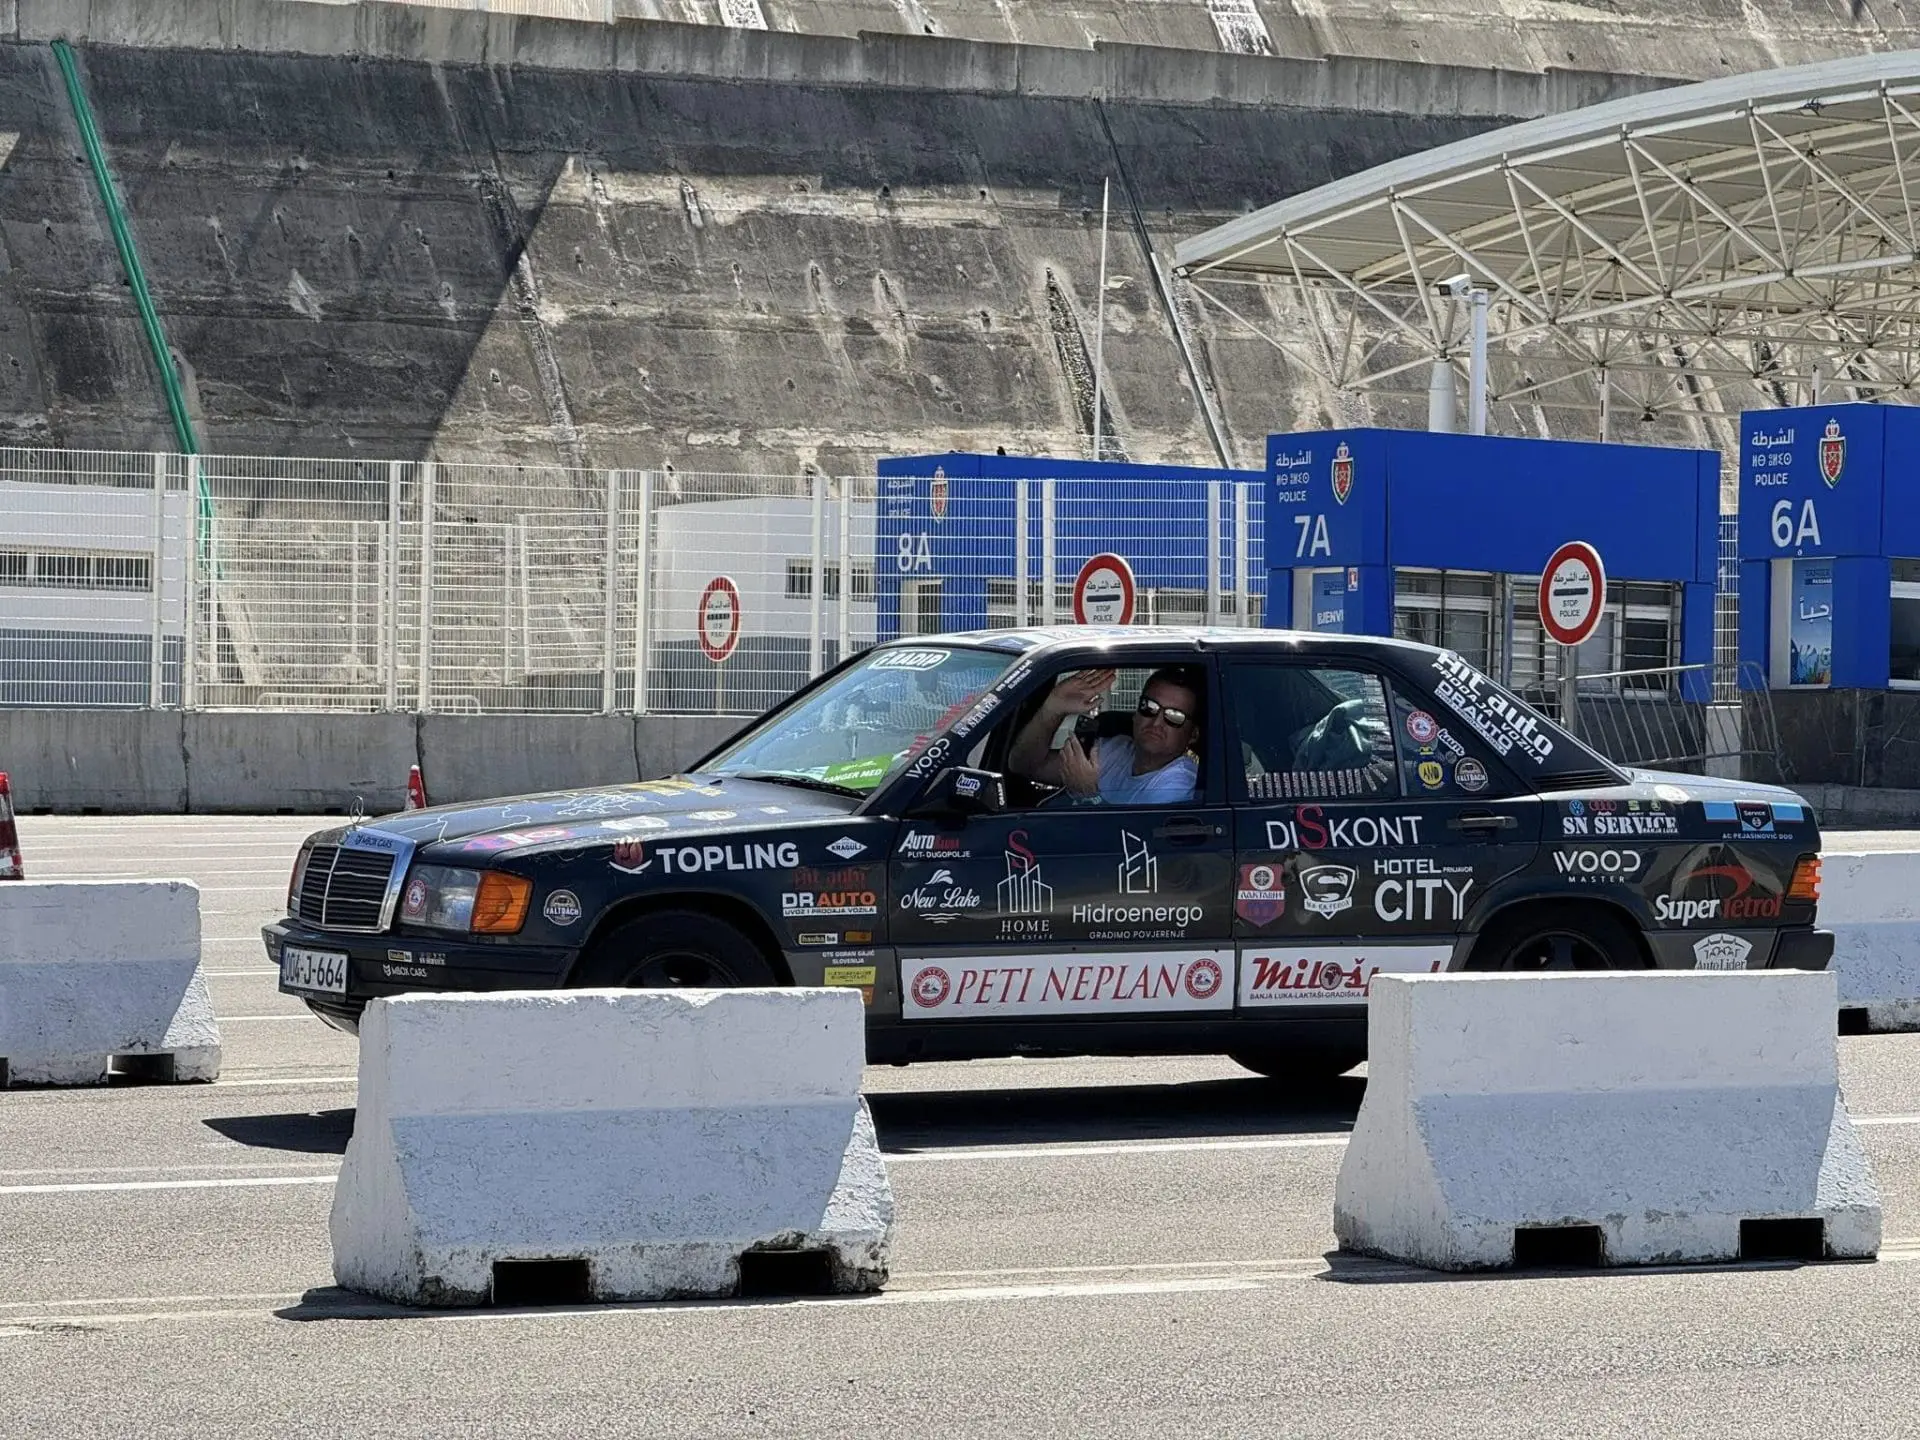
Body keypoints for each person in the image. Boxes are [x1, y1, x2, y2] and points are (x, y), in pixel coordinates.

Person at [1008, 666, 1201, 804]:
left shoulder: (1178, 784)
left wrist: (1089, 796)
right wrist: (1053, 709)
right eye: (1149, 707)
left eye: (1175, 716)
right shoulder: (1115, 749)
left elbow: (1136, 843)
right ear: (1135, 714)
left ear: (1192, 735)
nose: (1156, 722)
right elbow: (1025, 765)